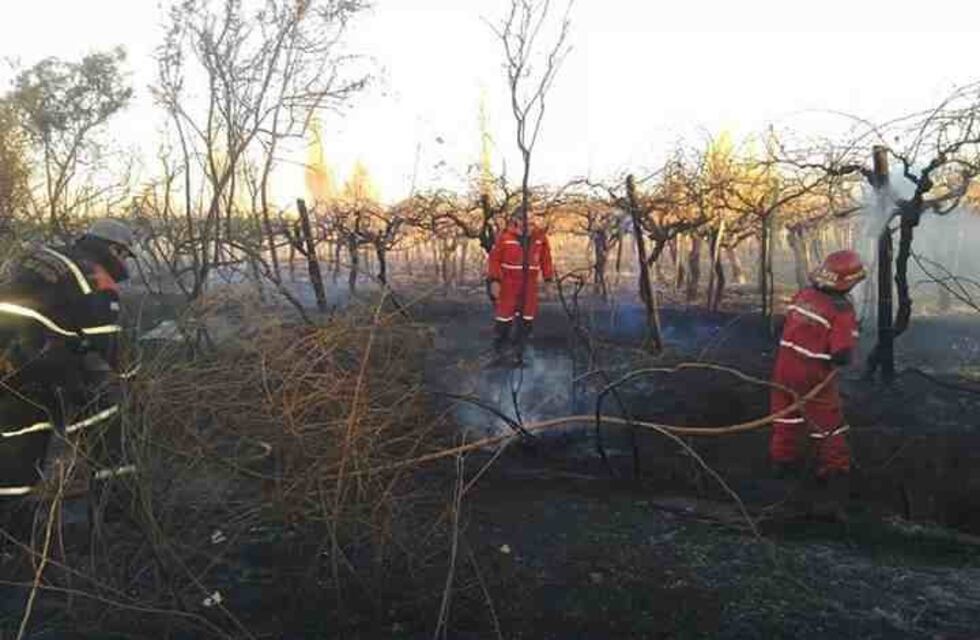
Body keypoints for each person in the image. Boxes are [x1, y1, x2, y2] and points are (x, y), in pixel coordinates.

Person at [0, 219, 136, 504]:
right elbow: (106, 342)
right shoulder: (96, 275)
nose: (123, 262)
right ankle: (116, 507)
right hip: (39, 357)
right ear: (112, 249)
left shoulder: (45, 256)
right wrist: (127, 379)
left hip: (8, 364)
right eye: (124, 253)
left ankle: (10, 531)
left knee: (19, 442)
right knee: (103, 414)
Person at [769, 249, 865, 520]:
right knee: (828, 425)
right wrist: (853, 335)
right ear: (850, 282)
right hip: (814, 377)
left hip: (784, 367)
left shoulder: (803, 295)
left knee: (785, 417)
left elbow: (784, 326)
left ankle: (783, 468)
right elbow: (841, 355)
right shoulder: (841, 310)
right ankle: (834, 479)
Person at [486, 210, 555, 359]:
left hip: (530, 284)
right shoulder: (504, 238)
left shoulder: (540, 238)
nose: (530, 225)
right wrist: (495, 281)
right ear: (516, 221)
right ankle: (500, 351)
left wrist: (548, 280)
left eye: (532, 221)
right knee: (504, 317)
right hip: (508, 284)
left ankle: (520, 351)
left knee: (527, 317)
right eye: (526, 221)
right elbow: (494, 260)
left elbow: (546, 259)